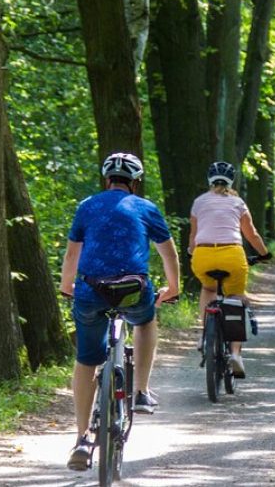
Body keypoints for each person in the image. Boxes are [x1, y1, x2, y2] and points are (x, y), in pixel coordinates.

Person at [60, 152, 180, 471]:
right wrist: (173, 287)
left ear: (106, 180)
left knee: (86, 360)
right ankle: (140, 391)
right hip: (131, 291)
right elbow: (169, 254)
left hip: (90, 290)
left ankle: (83, 439)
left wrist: (66, 286)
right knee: (145, 321)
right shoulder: (146, 208)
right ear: (135, 183)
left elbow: (73, 254)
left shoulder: (87, 206)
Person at [188, 161, 271, 378]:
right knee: (235, 297)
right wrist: (264, 254)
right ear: (231, 181)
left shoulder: (198, 202)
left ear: (209, 179)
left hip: (203, 255)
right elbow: (251, 234)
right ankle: (235, 354)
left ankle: (205, 335)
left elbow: (193, 236)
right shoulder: (238, 203)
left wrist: (191, 252)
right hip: (232, 255)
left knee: (208, 290)